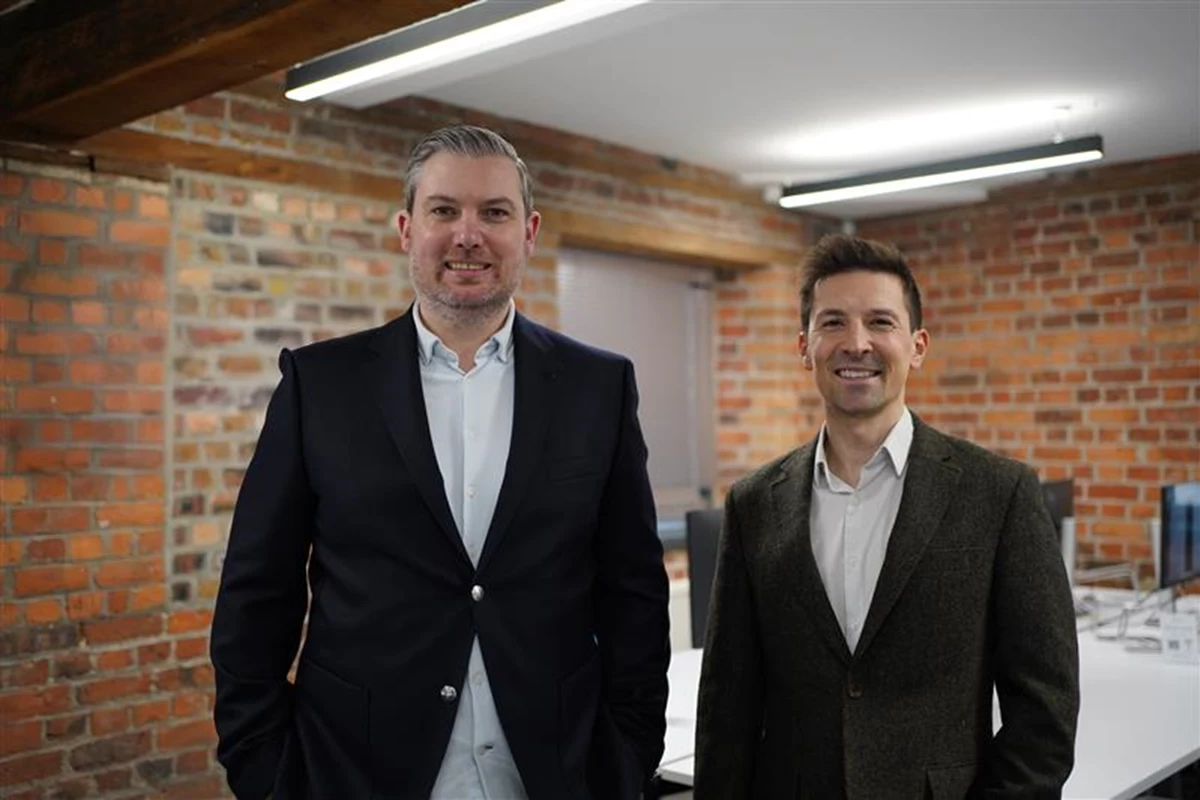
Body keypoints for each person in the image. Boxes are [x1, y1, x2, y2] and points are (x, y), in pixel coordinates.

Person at [211, 125, 670, 800]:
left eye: (495, 212)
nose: (468, 235)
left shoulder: (597, 387)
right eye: (444, 210)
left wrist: (626, 754)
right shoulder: (320, 385)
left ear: (529, 232)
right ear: (407, 230)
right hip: (356, 773)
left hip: (556, 771)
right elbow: (257, 592)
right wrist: (266, 771)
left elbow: (634, 591)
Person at [694, 234, 1079, 799]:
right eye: (832, 323)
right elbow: (726, 707)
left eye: (880, 322)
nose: (856, 343)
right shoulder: (753, 503)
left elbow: (1045, 711)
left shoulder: (1000, 494)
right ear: (804, 347)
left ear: (917, 345)